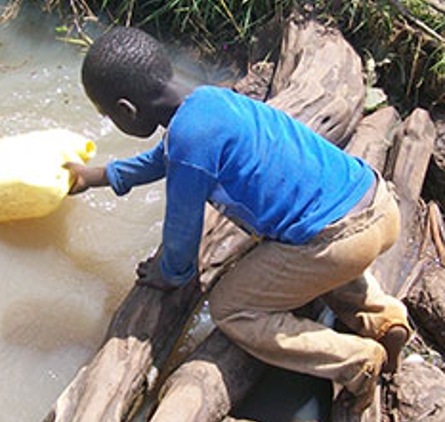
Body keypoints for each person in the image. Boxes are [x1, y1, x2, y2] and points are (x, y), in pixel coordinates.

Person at [65, 26, 412, 413]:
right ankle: (386, 319)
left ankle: (355, 361)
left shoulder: (190, 140)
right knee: (316, 248)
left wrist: (171, 274)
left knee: (230, 307)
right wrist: (96, 176)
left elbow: (182, 231)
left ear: (127, 111)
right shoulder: (208, 102)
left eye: (108, 114)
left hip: (336, 242)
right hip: (374, 202)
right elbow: (167, 157)